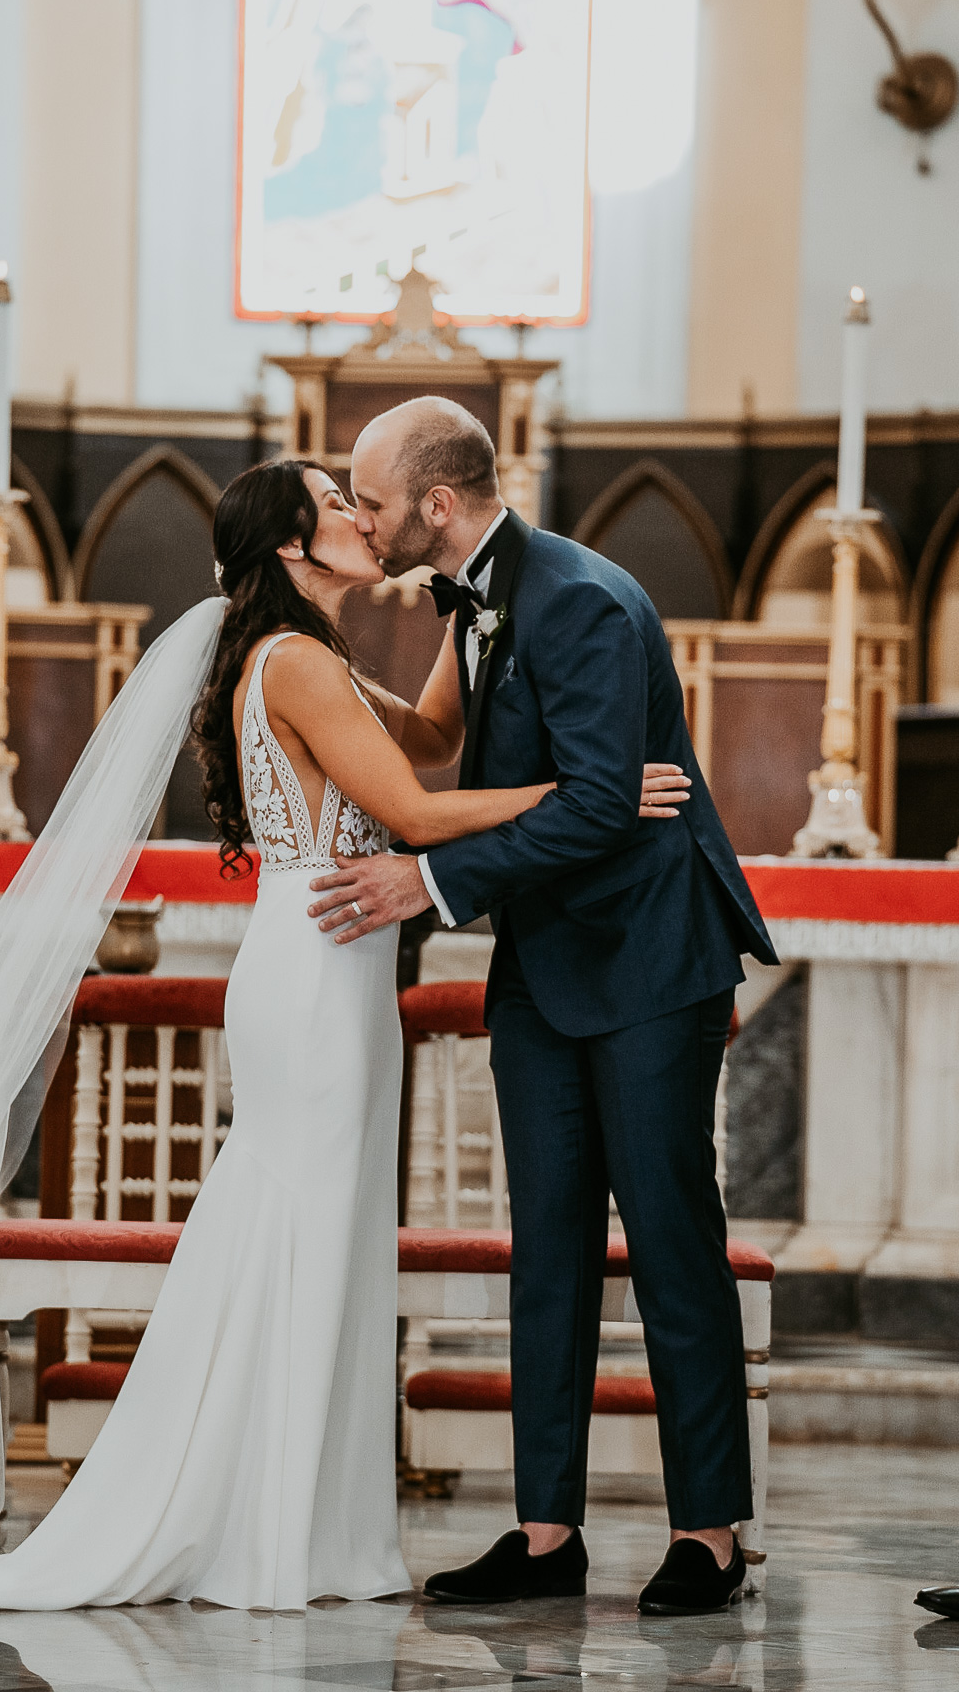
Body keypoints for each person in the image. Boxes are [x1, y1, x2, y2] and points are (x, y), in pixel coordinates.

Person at [0, 459, 678, 1627]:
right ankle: (261, 1532)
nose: (359, 513)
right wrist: (584, 791)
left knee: (321, 1235)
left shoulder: (311, 656)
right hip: (312, 976)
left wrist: (462, 599)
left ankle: (308, 1522)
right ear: (295, 547)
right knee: (293, 1232)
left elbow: (439, 738)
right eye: (337, 504)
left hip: (328, 970)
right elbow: (415, 814)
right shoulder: (291, 662)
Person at [308, 397, 779, 1616]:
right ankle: (545, 1533)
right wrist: (298, 649)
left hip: (649, 967)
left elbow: (594, 805)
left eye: (370, 496)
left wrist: (429, 878)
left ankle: (710, 1538)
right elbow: (479, 757)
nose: (359, 515)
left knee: (673, 1244)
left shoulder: (577, 598)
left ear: (439, 506)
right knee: (550, 1255)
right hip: (545, 969)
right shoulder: (471, 600)